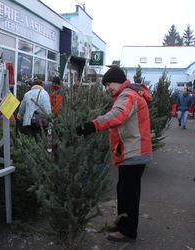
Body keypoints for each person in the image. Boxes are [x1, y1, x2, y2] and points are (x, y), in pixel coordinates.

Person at [76, 66, 152, 242]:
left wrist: (92, 125)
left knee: (128, 194)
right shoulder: (128, 94)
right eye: (105, 85)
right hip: (132, 152)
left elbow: (117, 115)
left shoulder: (128, 95)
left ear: (118, 81)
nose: (107, 88)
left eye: (108, 84)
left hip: (134, 152)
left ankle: (127, 231)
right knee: (124, 190)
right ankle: (122, 224)